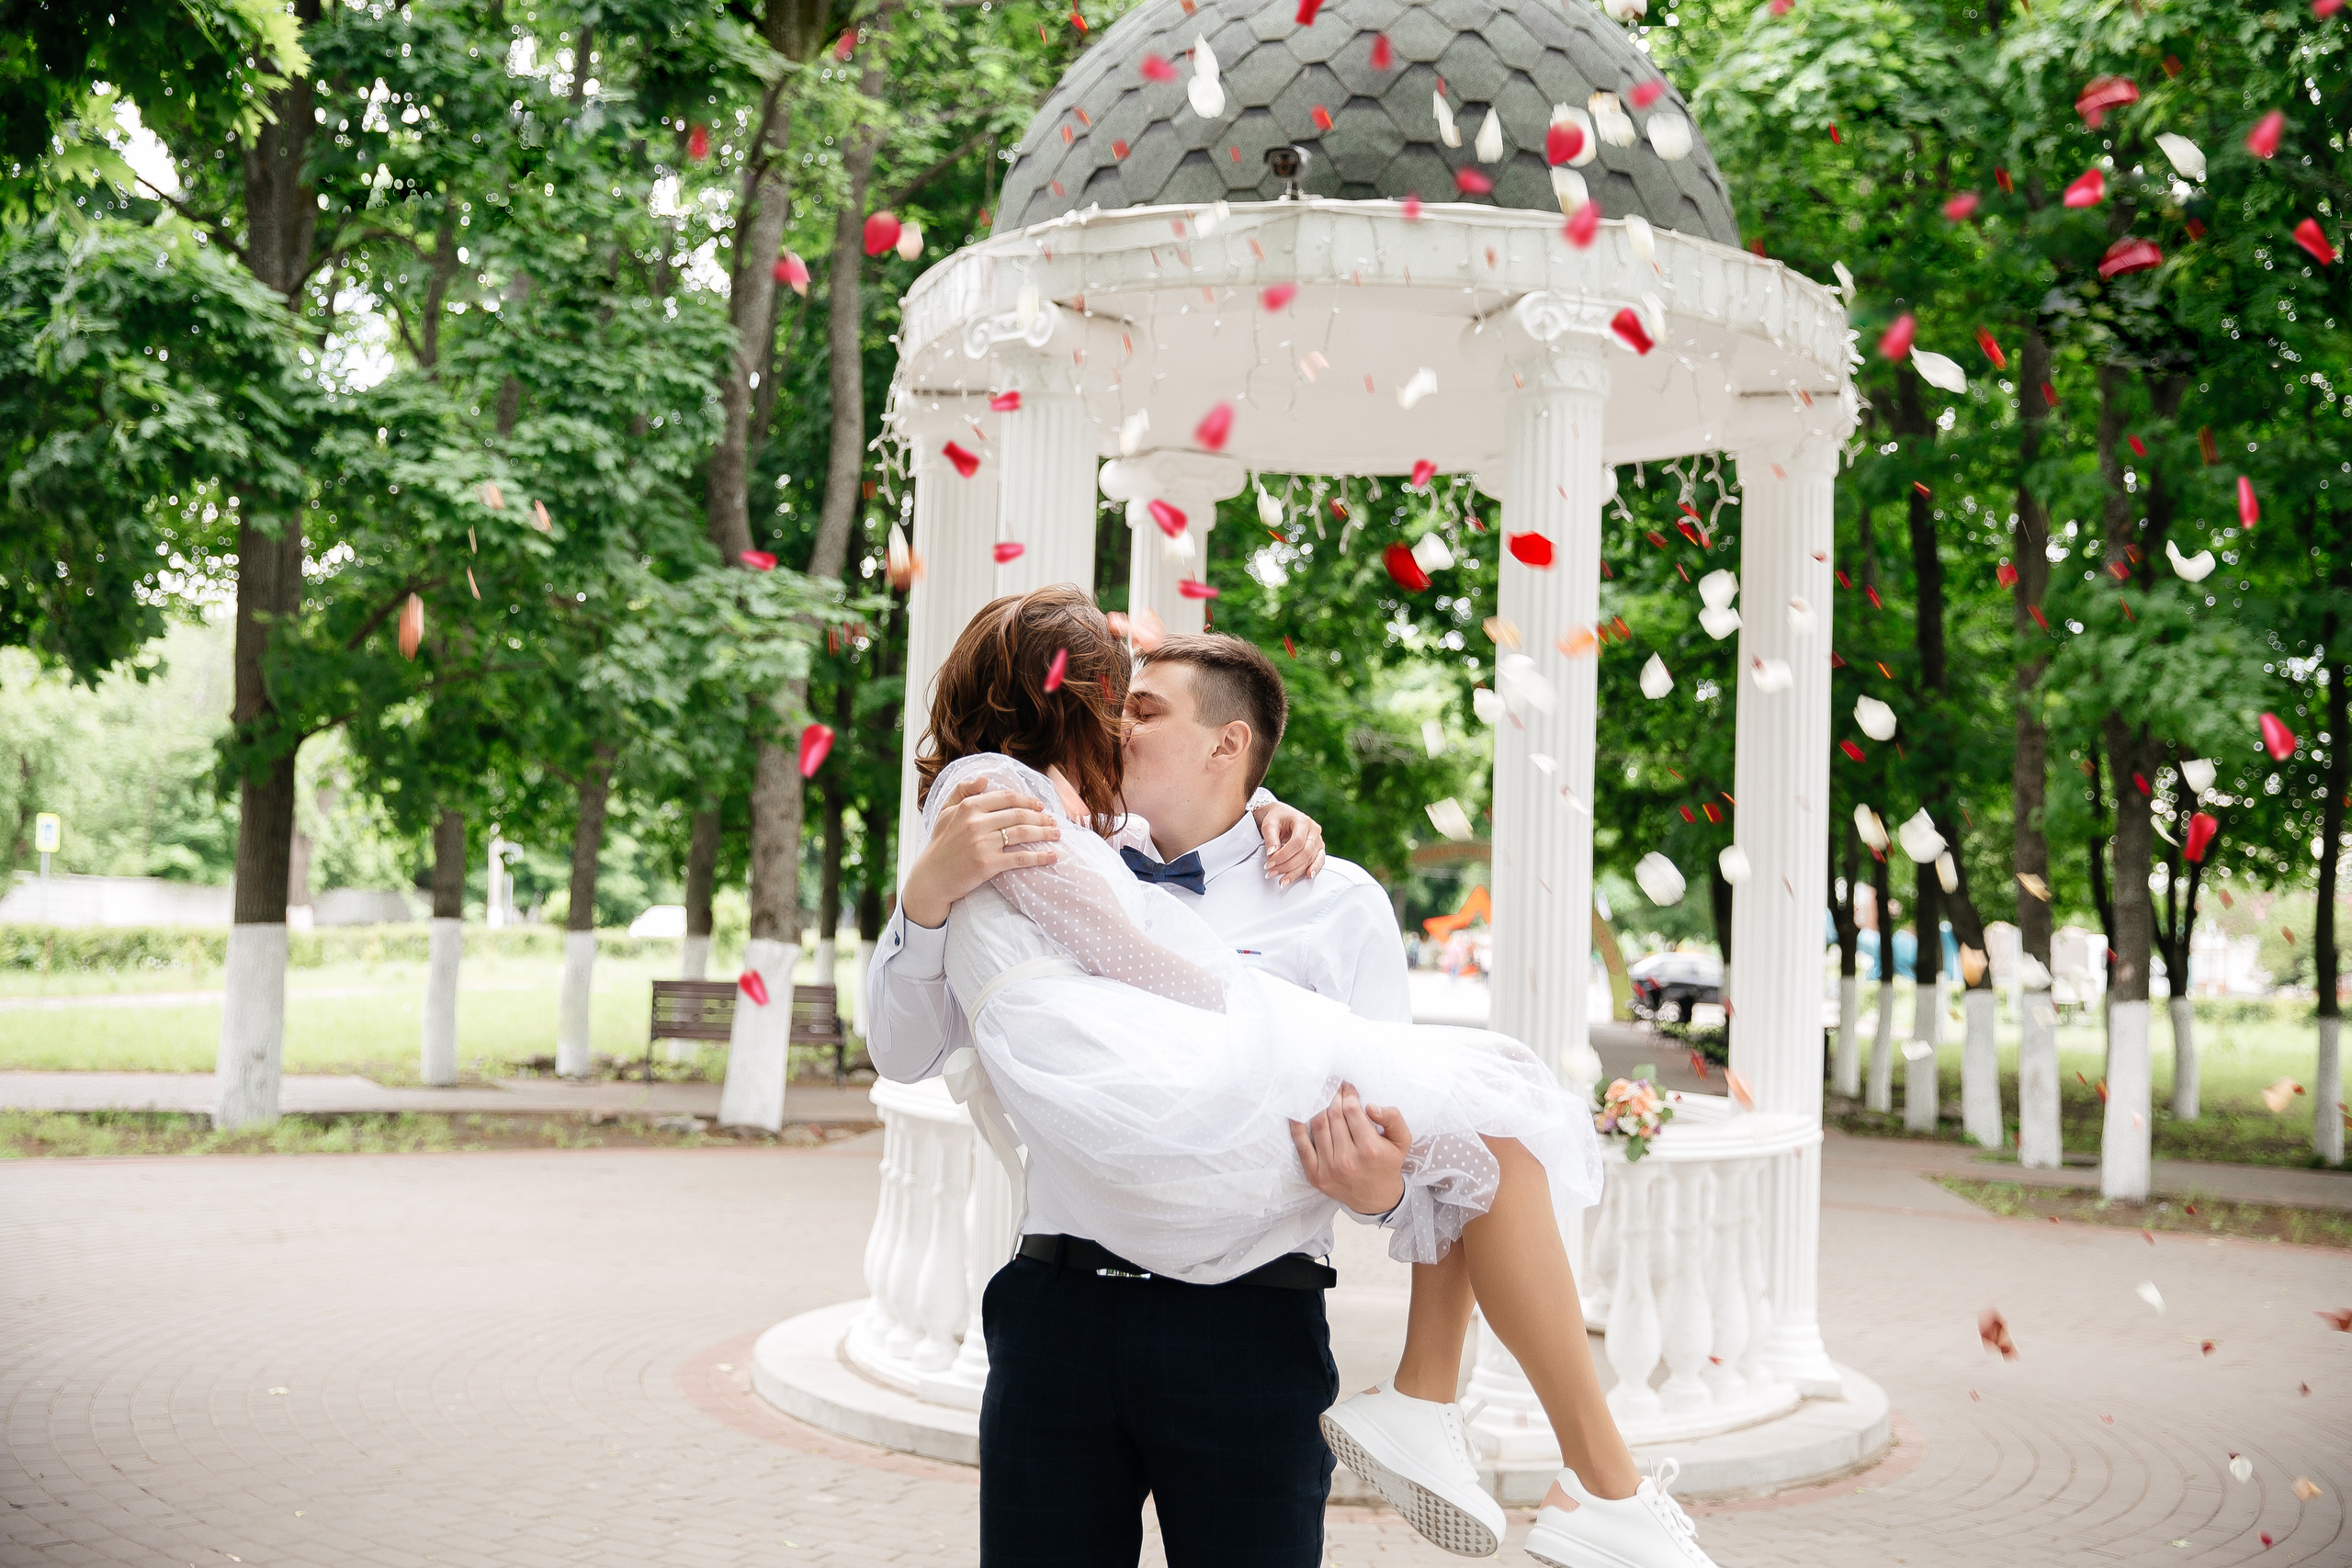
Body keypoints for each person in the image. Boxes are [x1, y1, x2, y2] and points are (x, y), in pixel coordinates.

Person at [868, 587, 1719, 1568]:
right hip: (1059, 1311)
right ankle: (1534, 1458)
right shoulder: (1036, 842)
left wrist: (1381, 1188)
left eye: (1140, 710)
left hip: (1246, 1330)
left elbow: (1404, 1151)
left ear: (1227, 747)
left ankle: (1482, 1435)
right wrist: (922, 899)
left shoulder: (1333, 901)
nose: (1109, 722)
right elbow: (901, 1052)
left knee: (1481, 1122)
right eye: (1110, 705)